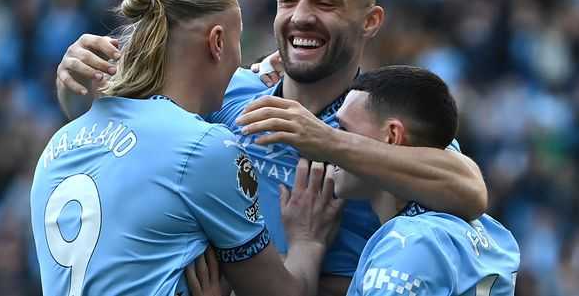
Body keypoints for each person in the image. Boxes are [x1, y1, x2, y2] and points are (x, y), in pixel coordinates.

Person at [55, 0, 488, 296]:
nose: (301, 16)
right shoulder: (229, 93)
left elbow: (469, 189)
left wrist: (326, 140)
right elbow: (118, 129)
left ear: (370, 21)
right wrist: (72, 86)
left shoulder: (382, 123)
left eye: (325, 2)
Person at [30, 0, 342, 296]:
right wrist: (307, 241)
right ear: (217, 42)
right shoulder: (204, 147)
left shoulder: (57, 145)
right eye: (239, 42)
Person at [191, 66, 520, 296]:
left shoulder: (408, 243)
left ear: (392, 136)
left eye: (343, 130)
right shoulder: (488, 231)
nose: (327, 142)